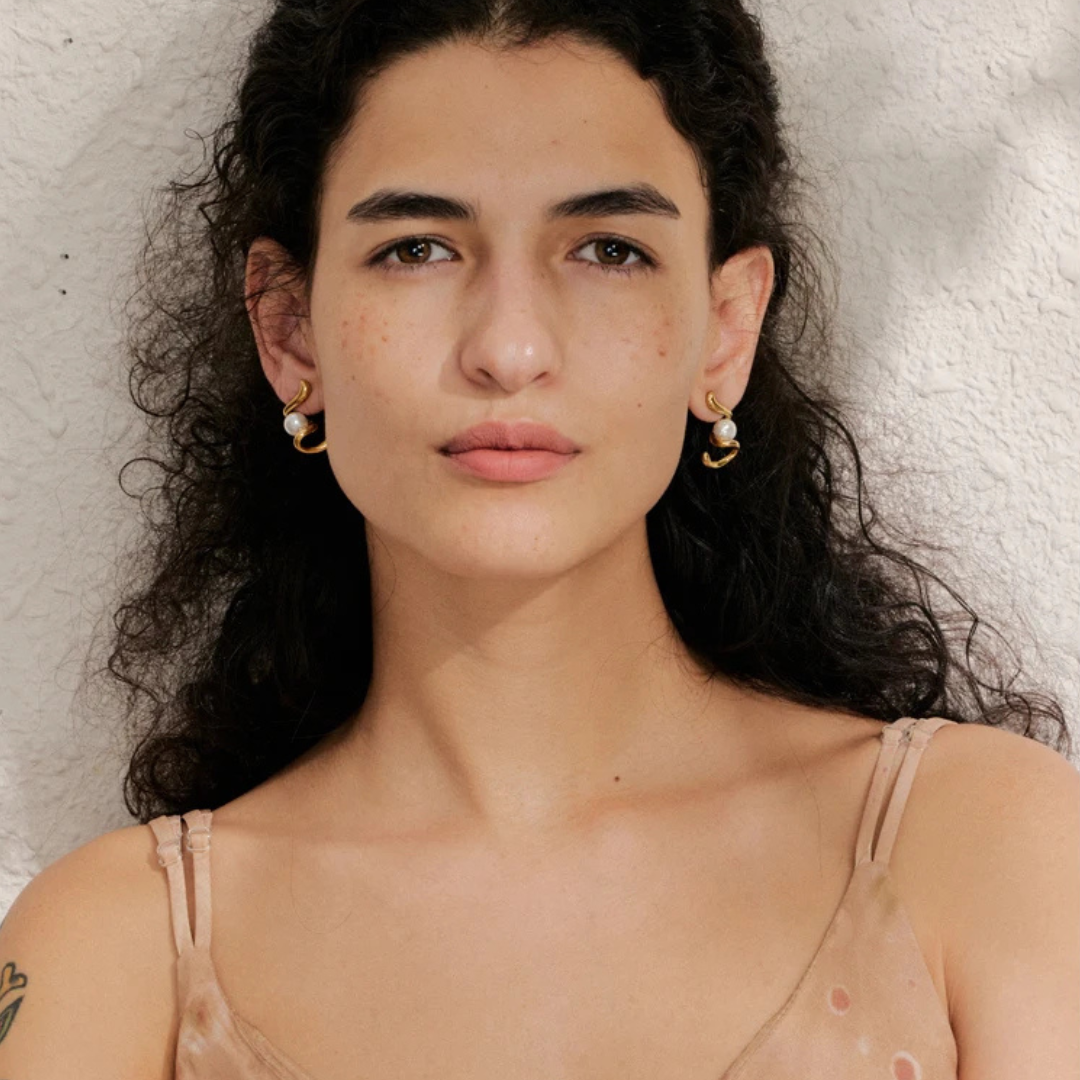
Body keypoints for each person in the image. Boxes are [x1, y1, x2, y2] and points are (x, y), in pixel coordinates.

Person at [1, 0, 1077, 1076]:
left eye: (609, 250)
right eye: (417, 248)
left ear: (726, 329)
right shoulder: (118, 953)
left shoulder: (984, 848)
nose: (510, 349)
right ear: (290, 331)